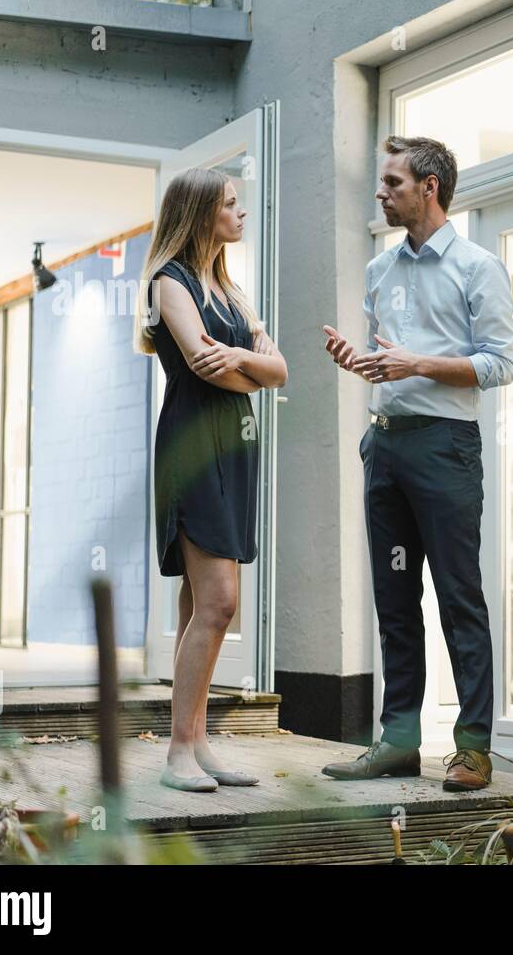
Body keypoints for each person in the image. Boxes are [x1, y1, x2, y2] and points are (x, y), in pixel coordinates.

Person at [321, 135, 513, 791]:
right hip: (386, 444)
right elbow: (390, 357)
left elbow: (499, 363)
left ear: (429, 187)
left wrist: (417, 363)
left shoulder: (477, 266)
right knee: (395, 600)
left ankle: (473, 749)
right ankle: (398, 741)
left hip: (445, 445)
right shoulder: (379, 271)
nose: (381, 192)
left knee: (460, 597)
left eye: (393, 183)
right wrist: (365, 363)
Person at [135, 167, 288, 792]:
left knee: (201, 602)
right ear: (201, 214)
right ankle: (178, 751)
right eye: (230, 204)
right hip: (193, 449)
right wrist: (249, 367)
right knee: (220, 602)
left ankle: (196, 743)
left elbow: (278, 372)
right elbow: (203, 366)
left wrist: (247, 361)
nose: (241, 213)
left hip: (237, 448)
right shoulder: (168, 282)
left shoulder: (230, 288)